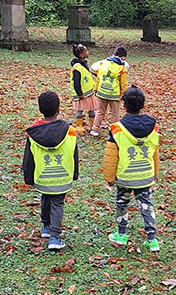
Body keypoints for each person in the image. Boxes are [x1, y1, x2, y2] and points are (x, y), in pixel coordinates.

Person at [103, 85, 160, 252]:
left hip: (125, 176)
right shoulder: (153, 127)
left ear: (124, 105)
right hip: (145, 175)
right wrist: (155, 172)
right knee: (146, 204)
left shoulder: (116, 129)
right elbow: (155, 152)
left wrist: (109, 177)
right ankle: (152, 239)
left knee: (122, 203)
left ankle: (121, 234)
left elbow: (111, 156)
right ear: (143, 105)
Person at [22, 90, 79, 251]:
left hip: (42, 175)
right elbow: (74, 154)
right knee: (57, 202)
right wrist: (74, 173)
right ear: (58, 109)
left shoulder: (33, 133)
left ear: (40, 109)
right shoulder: (70, 131)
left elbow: (29, 159)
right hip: (62, 176)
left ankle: (46, 227)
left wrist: (29, 178)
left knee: (46, 198)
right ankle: (55, 236)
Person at [90, 47, 129, 137]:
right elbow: (123, 83)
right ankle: (113, 133)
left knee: (100, 112)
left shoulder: (103, 64)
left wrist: (96, 89)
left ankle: (95, 130)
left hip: (102, 92)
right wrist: (124, 94)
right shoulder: (122, 69)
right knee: (115, 114)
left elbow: (98, 77)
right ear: (123, 58)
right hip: (114, 95)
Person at [70, 43, 97, 134]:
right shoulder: (77, 68)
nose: (88, 52)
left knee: (91, 109)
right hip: (82, 94)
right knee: (80, 110)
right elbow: (76, 82)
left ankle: (92, 125)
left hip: (89, 92)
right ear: (81, 54)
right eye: (86, 51)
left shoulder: (84, 64)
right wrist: (79, 93)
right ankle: (79, 126)